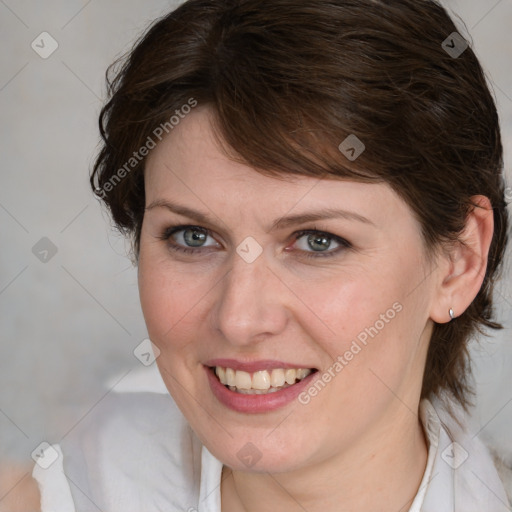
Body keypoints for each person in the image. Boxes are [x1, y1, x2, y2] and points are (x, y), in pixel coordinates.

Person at [29, 0, 512, 510]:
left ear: (457, 262)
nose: (239, 319)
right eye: (193, 237)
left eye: (317, 241)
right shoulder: (63, 484)